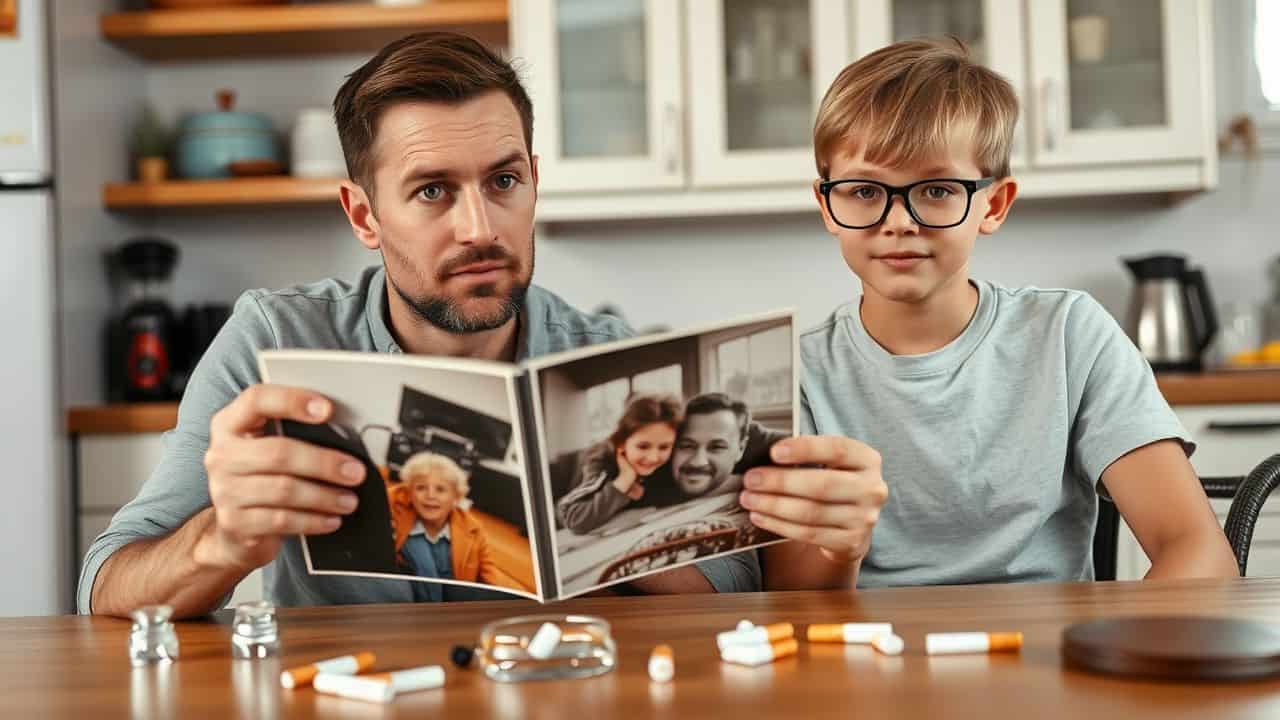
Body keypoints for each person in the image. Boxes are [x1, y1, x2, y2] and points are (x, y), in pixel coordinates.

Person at [80, 31, 793, 618]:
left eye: (503, 182)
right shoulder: (274, 341)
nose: (480, 229)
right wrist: (222, 539)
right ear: (363, 214)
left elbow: (736, 604)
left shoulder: (615, 361)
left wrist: (617, 536)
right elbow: (105, 585)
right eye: (432, 191)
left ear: (534, 182)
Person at [741, 38, 1237, 591]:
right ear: (827, 205)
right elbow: (793, 605)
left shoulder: (1069, 335)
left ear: (993, 205)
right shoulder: (795, 377)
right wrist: (843, 547)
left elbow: (1195, 549)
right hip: (869, 662)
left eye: (934, 189)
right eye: (862, 190)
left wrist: (1124, 659)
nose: (899, 221)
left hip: (1047, 662)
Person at [387, 451, 531, 598]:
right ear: (409, 493)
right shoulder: (396, 516)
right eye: (421, 488)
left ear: (456, 497)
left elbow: (490, 574)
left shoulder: (472, 529)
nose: (430, 495)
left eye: (440, 489)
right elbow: (387, 497)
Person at [556, 393, 683, 534]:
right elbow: (573, 519)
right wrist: (623, 482)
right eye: (643, 446)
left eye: (664, 447)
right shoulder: (601, 462)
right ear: (621, 443)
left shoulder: (669, 462)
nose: (653, 457)